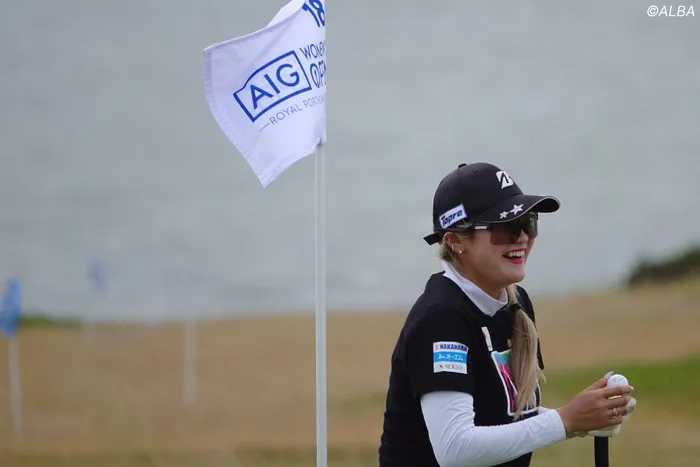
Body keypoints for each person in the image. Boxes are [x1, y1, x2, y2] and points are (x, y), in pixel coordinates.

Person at [378, 162, 637, 467]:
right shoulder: (441, 318)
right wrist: (565, 420)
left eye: (528, 223)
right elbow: (455, 448)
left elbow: (505, 414)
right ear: (456, 241)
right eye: (504, 228)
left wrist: (584, 417)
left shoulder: (515, 303)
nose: (522, 238)